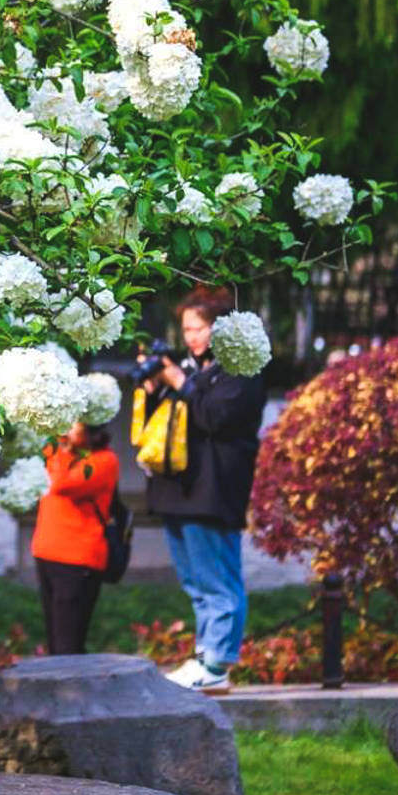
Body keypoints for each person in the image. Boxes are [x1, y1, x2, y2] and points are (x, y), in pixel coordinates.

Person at [139, 292, 267, 693]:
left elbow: (215, 417)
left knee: (218, 581)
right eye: (187, 329)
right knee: (196, 582)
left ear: (221, 327)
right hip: (180, 489)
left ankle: (217, 664)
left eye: (199, 327)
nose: (191, 337)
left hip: (214, 491)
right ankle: (205, 657)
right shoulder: (199, 370)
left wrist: (179, 381)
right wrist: (157, 386)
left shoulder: (242, 370)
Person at [31, 419, 119, 657]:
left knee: (68, 643)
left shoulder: (103, 460)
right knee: (55, 639)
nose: (67, 427)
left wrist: (66, 449)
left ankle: (72, 693)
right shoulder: (56, 449)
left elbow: (61, 484)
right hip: (46, 551)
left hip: (78, 559)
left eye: (75, 423)